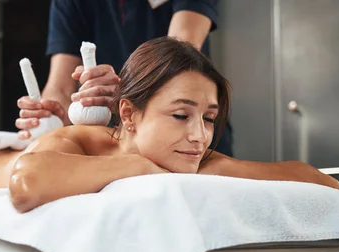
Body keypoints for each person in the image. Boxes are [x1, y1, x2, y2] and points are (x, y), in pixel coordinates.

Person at [0, 37, 339, 213]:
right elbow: (26, 185)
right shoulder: (78, 139)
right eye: (181, 115)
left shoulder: (197, 158)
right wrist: (140, 167)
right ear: (128, 114)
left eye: (209, 119)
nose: (199, 135)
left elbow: (324, 183)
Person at [15, 0, 234, 156]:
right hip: (116, 146)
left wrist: (124, 92)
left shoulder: (197, 135)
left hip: (188, 144)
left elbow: (179, 62)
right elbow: (60, 88)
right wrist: (51, 113)